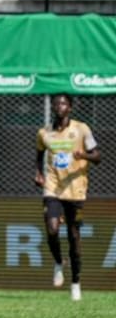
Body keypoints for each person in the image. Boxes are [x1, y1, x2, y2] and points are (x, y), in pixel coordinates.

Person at [35, 94, 100, 301]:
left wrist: (84, 156)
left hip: (76, 190)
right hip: (53, 187)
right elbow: (39, 154)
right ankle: (57, 262)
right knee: (52, 228)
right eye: (56, 103)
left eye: (63, 103)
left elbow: (98, 156)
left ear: (70, 107)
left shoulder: (82, 129)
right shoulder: (44, 133)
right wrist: (38, 173)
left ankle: (75, 282)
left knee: (74, 236)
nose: (59, 106)